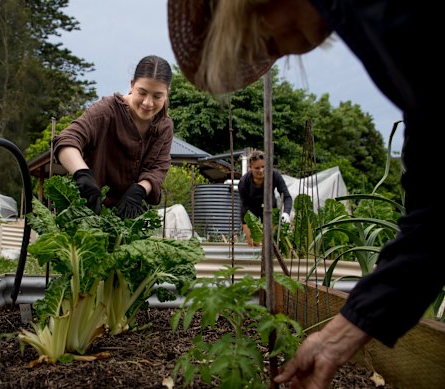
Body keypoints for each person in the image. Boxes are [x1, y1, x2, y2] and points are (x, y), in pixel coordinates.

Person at [167, 0, 442, 388]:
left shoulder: (386, 16)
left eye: (258, 35)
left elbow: (431, 210)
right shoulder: (371, 27)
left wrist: (284, 216)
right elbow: (433, 214)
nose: (271, 52)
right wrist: (338, 338)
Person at [53, 55, 173, 219]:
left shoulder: (165, 126)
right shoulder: (106, 110)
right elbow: (67, 140)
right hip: (87, 213)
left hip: (129, 218)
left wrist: (140, 189)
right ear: (132, 85)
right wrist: (82, 174)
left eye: (157, 96)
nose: (148, 103)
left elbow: (158, 169)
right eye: (142, 92)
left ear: (167, 94)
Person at [238, 149, 292, 247]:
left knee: (269, 243)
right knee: (254, 243)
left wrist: (286, 213)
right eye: (257, 168)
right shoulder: (244, 182)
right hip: (250, 211)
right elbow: (244, 207)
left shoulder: (275, 175)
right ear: (250, 168)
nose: (261, 170)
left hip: (270, 208)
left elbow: (287, 196)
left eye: (263, 167)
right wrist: (248, 227)